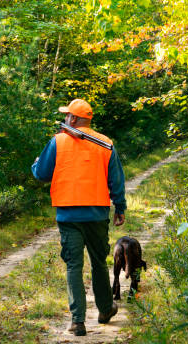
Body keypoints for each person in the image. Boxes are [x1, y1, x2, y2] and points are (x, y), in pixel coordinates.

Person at [31, 98, 126, 337]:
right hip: (96, 214)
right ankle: (105, 310)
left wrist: (35, 164)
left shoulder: (58, 141)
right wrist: (120, 207)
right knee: (98, 263)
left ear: (73, 119)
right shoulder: (105, 143)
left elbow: (41, 174)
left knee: (74, 266)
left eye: (67, 115)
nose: (65, 119)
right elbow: (116, 179)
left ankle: (78, 321)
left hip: (68, 215)